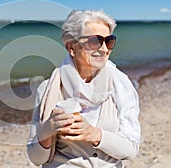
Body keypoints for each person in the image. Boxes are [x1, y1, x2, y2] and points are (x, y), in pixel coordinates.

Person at [27, 10, 141, 168]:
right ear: (71, 47)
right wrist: (47, 131)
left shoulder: (121, 85)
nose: (103, 49)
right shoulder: (48, 89)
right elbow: (36, 159)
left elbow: (131, 150)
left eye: (109, 41)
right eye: (95, 41)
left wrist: (95, 135)